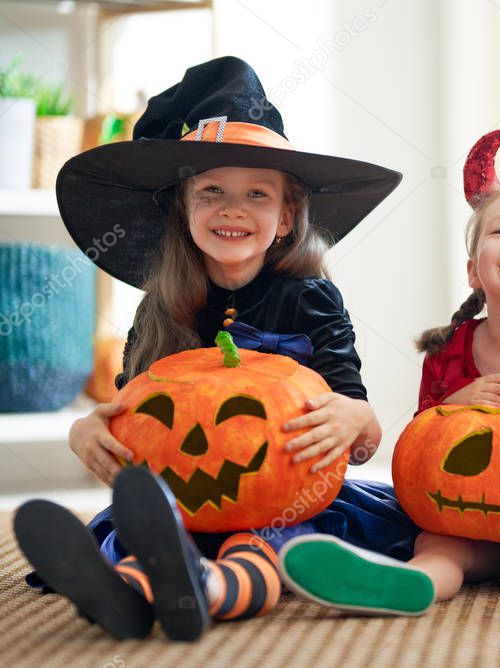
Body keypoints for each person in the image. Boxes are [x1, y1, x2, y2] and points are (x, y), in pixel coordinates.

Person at [14, 56, 417, 641]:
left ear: (286, 217)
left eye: (257, 193)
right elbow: (136, 408)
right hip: (186, 492)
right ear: (183, 210)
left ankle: (207, 588)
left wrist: (356, 421)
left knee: (268, 537)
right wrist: (87, 430)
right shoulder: (162, 302)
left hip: (285, 494)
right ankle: (130, 590)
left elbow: (355, 415)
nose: (232, 208)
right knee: (144, 523)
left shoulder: (310, 299)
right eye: (212, 191)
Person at [278, 129, 500, 620]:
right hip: (476, 521)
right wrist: (453, 405)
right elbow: (419, 457)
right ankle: (410, 583)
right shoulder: (449, 354)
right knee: (438, 540)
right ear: (475, 271)